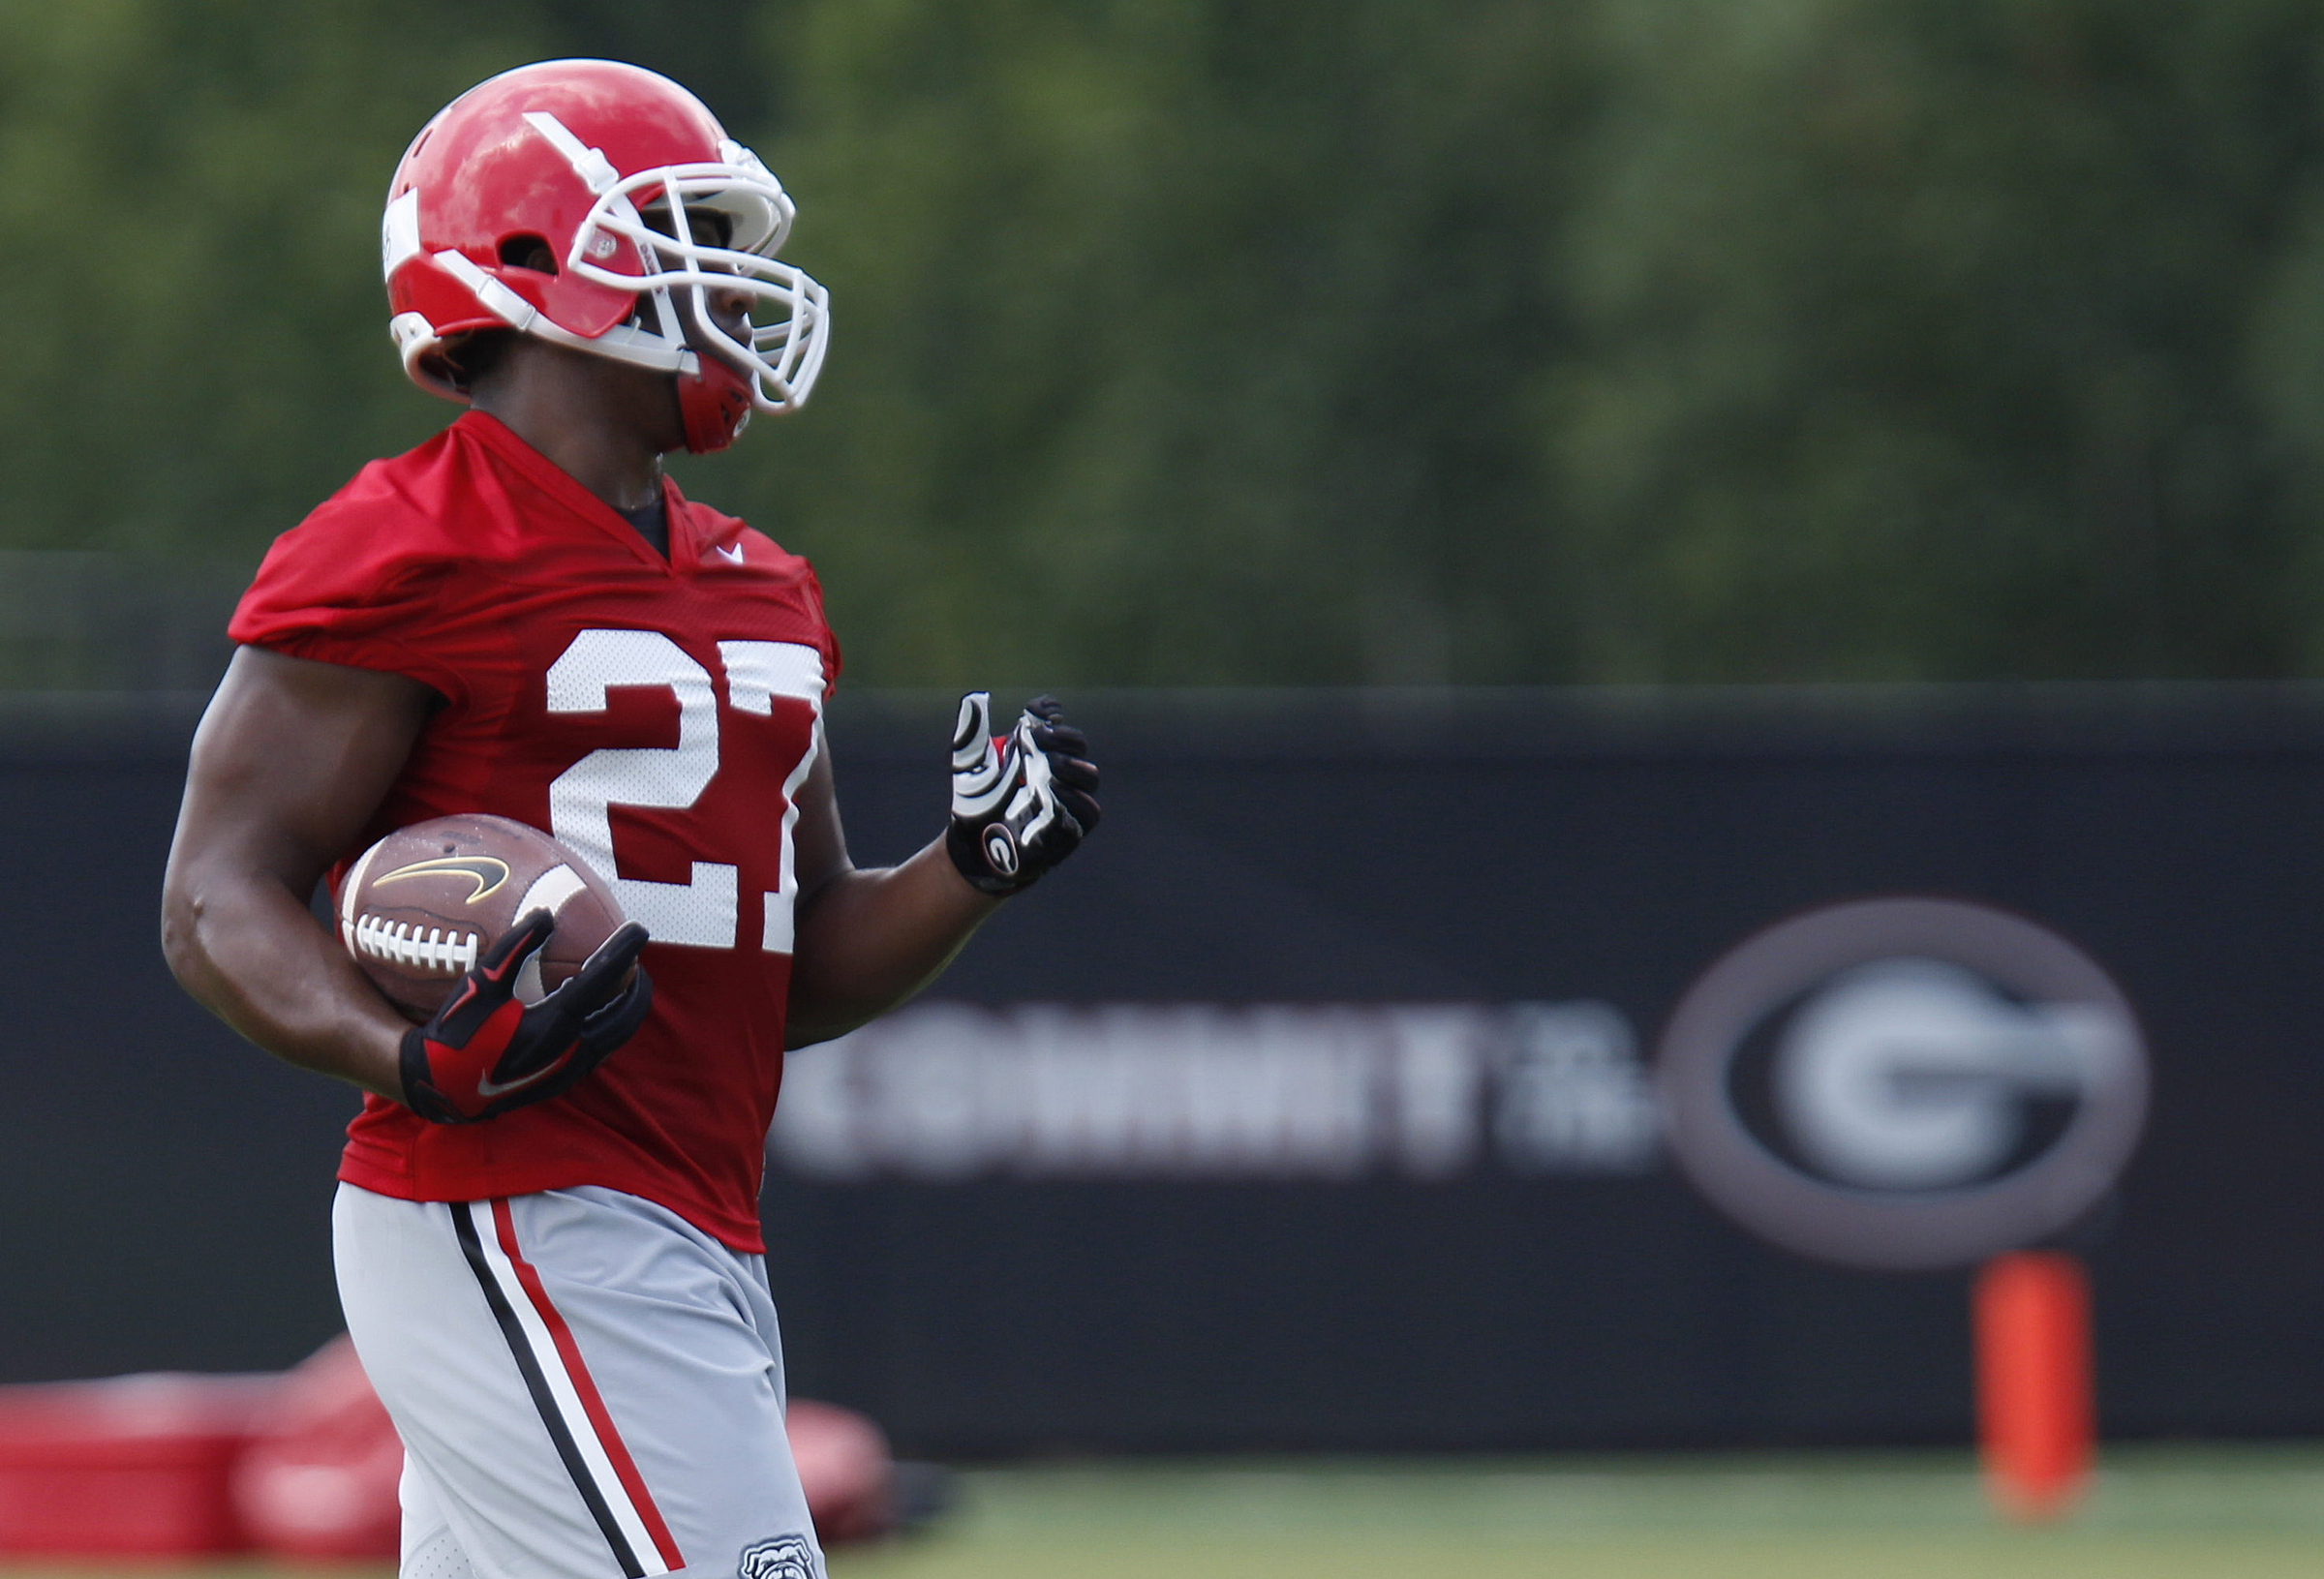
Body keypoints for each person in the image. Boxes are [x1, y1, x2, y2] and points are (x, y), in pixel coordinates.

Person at [160, 59, 1099, 1579]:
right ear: (536, 265)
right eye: (682, 230)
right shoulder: (409, 542)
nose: (732, 279)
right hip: (513, 1208)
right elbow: (214, 897)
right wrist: (403, 1052)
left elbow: (794, 964)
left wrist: (976, 865)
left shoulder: (764, 587)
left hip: (694, 1218)